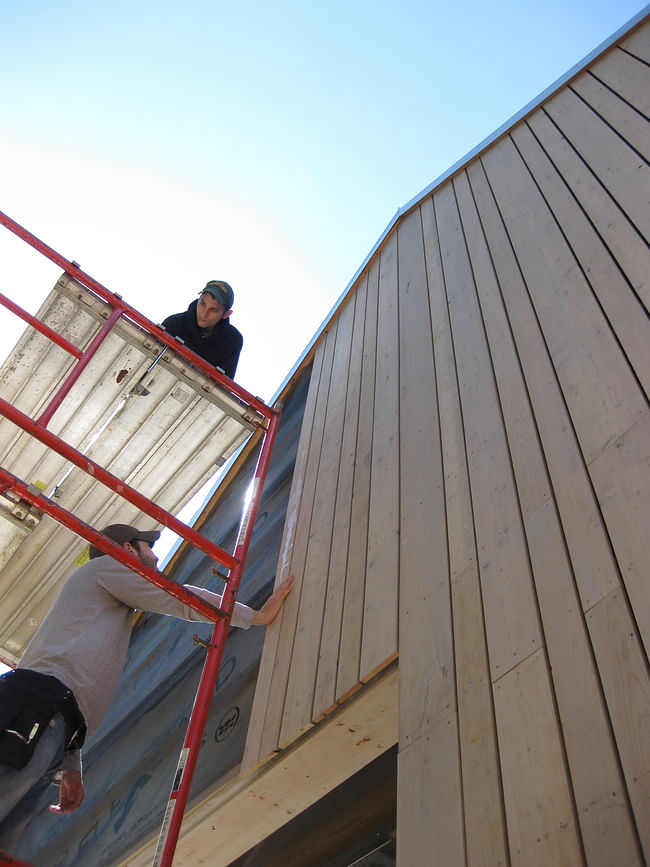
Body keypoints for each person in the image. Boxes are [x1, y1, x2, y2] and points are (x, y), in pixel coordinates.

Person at [0, 523, 293, 850]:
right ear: (127, 549)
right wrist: (257, 616)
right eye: (148, 547)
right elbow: (181, 597)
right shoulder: (106, 566)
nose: (155, 558)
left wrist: (70, 763)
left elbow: (65, 684)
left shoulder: (100, 600)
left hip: (48, 718)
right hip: (36, 710)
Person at [161, 280, 243, 379]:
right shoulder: (174, 324)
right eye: (202, 304)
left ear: (226, 314)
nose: (204, 314)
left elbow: (223, 387)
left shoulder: (233, 340)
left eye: (214, 310)